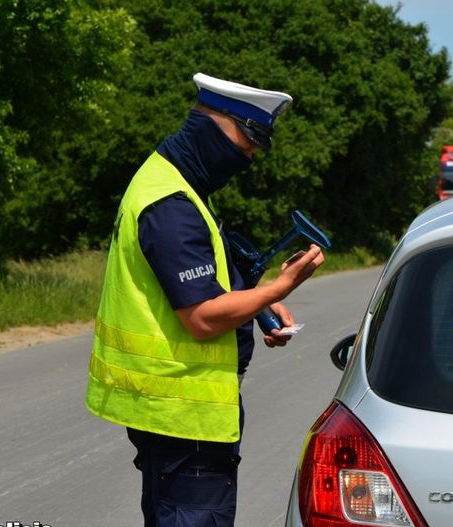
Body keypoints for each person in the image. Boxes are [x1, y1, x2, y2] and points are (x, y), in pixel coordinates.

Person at [85, 72, 324, 526]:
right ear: (213, 123)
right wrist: (281, 286)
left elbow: (208, 282)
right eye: (248, 139)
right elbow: (201, 317)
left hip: (176, 417)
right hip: (183, 420)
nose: (251, 155)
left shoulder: (176, 183)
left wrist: (258, 302)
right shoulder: (170, 203)